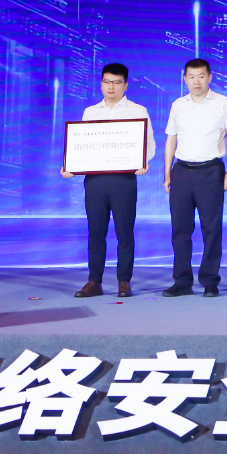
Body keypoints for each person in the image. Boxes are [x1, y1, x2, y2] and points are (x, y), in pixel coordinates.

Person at [61, 62, 154, 299]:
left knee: (125, 232)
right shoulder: (90, 112)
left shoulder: (138, 111)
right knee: (96, 232)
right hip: (95, 180)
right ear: (101, 84)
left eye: (116, 82)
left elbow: (149, 145)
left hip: (123, 180)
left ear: (126, 85)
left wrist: (142, 161)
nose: (111, 87)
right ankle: (94, 281)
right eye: (106, 82)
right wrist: (70, 165)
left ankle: (124, 281)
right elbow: (81, 144)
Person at [162, 58, 227, 298]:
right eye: (192, 77)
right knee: (180, 229)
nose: (197, 81)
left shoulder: (224, 103)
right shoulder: (178, 105)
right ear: (185, 79)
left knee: (211, 229)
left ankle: (210, 281)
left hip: (211, 171)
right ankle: (182, 282)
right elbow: (171, 139)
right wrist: (167, 173)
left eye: (201, 76)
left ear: (210, 77)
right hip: (181, 171)